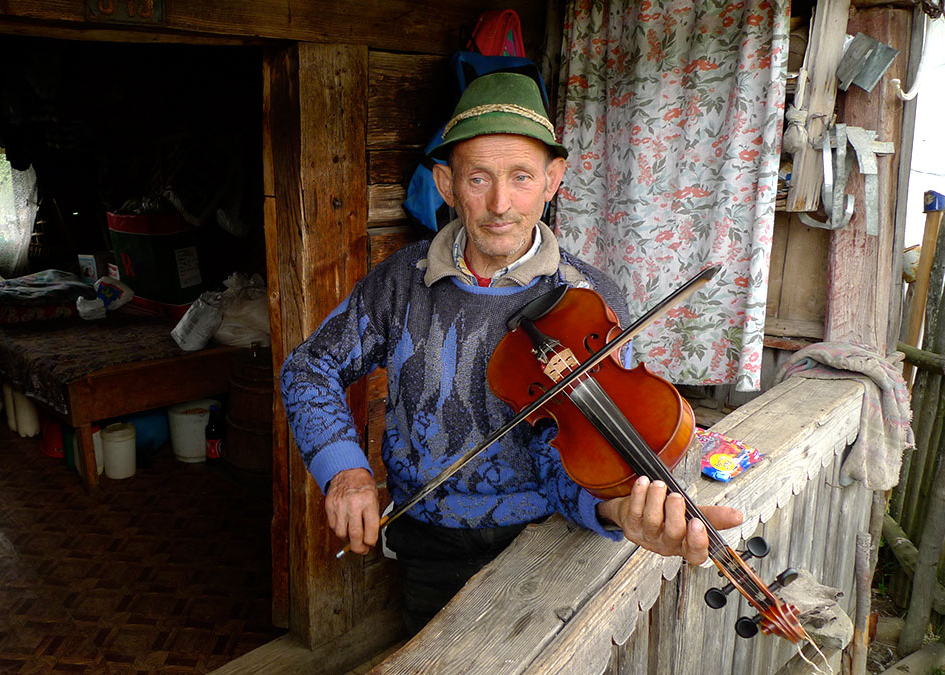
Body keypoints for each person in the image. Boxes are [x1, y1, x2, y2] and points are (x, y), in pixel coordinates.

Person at [279, 72, 742, 635]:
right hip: (429, 542)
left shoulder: (588, 303)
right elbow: (310, 367)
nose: (501, 205)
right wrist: (344, 470)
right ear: (447, 184)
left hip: (551, 542)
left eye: (521, 177)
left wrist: (619, 510)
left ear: (552, 180)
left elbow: (573, 452)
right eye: (479, 178)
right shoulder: (402, 281)